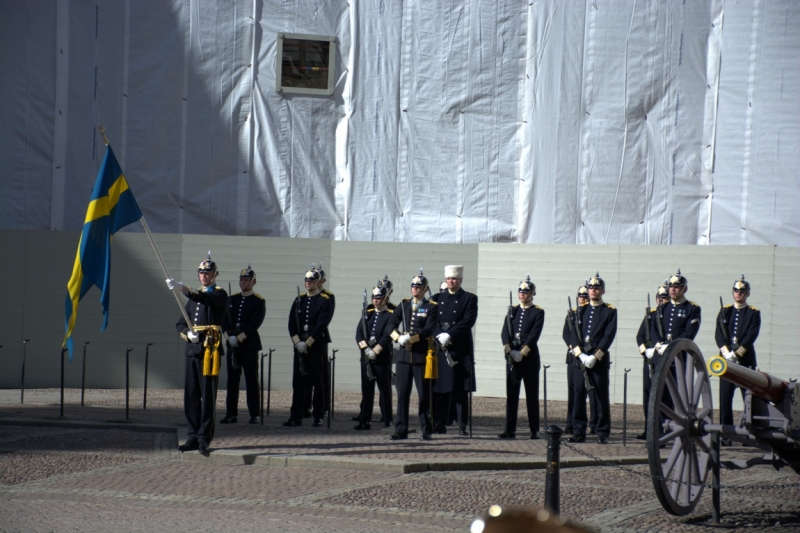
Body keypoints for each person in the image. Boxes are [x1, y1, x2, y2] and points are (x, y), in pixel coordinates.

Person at [168, 252, 228, 454]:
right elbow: (180, 323)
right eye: (201, 272)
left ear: (215, 274)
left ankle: (204, 437)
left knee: (207, 395)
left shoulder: (219, 294)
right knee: (191, 395)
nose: (204, 275)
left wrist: (183, 288)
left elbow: (205, 297)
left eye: (208, 272)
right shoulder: (193, 299)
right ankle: (192, 435)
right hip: (193, 350)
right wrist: (187, 333)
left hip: (210, 349)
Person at [564, 273, 617, 444]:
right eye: (591, 288)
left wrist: (596, 355)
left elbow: (608, 335)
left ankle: (602, 432)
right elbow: (571, 334)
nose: (593, 290)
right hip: (580, 359)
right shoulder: (579, 311)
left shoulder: (609, 311)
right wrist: (580, 353)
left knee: (600, 396)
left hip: (598, 360)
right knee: (578, 396)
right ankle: (579, 431)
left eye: (596, 288)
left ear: (603, 290)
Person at [388, 269, 437, 440]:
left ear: (425, 289)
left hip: (420, 357)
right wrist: (398, 337)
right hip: (403, 358)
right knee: (402, 394)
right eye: (413, 286)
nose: (415, 289)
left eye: (419, 287)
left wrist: (412, 337)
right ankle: (400, 429)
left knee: (424, 395)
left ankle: (426, 430)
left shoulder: (430, 307)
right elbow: (391, 324)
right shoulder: (404, 304)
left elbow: (429, 329)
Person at [285, 265, 334, 427]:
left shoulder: (324, 300)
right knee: (298, 382)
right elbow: (292, 323)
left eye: (312, 280)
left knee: (317, 381)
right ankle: (296, 415)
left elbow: (321, 324)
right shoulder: (299, 299)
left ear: (318, 281)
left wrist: (308, 342)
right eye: (307, 280)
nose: (309, 283)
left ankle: (318, 415)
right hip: (299, 347)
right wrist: (297, 342)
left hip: (315, 346)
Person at [433, 265, 479, 436]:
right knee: (441, 389)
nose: (450, 281)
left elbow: (468, 321)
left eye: (454, 279)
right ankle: (440, 422)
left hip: (459, 347)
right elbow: (431, 320)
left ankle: (462, 425)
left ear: (460, 280)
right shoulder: (437, 298)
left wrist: (450, 334)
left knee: (460, 389)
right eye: (448, 279)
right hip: (441, 346)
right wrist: (439, 335)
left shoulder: (469, 298)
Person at [715, 274, 760, 446]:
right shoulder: (725, 310)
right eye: (736, 291)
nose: (738, 294)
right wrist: (726, 352)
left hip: (745, 359)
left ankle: (749, 433)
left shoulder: (753, 313)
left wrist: (737, 353)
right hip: (726, 360)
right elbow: (719, 334)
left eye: (742, 291)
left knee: (748, 398)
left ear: (747, 293)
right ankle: (727, 434)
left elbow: (751, 335)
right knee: (725, 398)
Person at [499, 275, 545, 439]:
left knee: (531, 396)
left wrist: (523, 352)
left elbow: (534, 335)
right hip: (513, 357)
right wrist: (510, 351)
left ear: (532, 293)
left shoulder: (538, 312)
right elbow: (505, 333)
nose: (523, 294)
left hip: (529, 358)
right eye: (521, 291)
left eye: (526, 292)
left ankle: (534, 430)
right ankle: (509, 429)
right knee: (512, 395)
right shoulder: (512, 311)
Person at [221, 265, 266, 425]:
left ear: (254, 282)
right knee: (232, 380)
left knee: (251, 380)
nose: (243, 283)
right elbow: (224, 320)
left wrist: (239, 337)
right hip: (233, 345)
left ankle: (254, 414)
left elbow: (255, 322)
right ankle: (231, 413)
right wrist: (228, 336)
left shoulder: (258, 301)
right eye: (242, 280)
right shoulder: (232, 299)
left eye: (247, 280)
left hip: (248, 345)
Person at [353, 275, 395, 425]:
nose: (376, 300)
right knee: (367, 389)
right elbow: (359, 332)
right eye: (374, 297)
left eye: (379, 297)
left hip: (381, 357)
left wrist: (375, 350)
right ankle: (365, 419)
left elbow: (387, 335)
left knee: (384, 390)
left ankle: (388, 420)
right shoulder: (368, 312)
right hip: (366, 357)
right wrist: (365, 349)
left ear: (385, 298)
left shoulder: (391, 314)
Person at [634, 283, 668, 439]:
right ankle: (649, 429)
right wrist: (645, 350)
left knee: (663, 396)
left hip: (662, 359)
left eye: (665, 297)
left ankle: (663, 429)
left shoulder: (668, 316)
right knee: (648, 395)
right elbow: (640, 336)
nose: (662, 300)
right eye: (660, 297)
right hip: (649, 360)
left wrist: (655, 348)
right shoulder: (651, 315)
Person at [303, 263, 335, 418]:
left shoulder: (327, 297)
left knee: (321, 376)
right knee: (305, 375)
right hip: (306, 338)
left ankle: (322, 406)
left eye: (319, 279)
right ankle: (305, 404)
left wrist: (312, 337)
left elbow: (325, 320)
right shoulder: (306, 297)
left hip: (319, 338)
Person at [563, 284, 589, 434]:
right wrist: (575, 348)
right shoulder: (572, 313)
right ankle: (570, 422)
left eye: (585, 296)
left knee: (586, 392)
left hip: (587, 356)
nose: (583, 298)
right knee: (573, 391)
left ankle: (592, 424)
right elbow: (566, 334)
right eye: (581, 296)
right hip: (573, 357)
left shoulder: (590, 314)